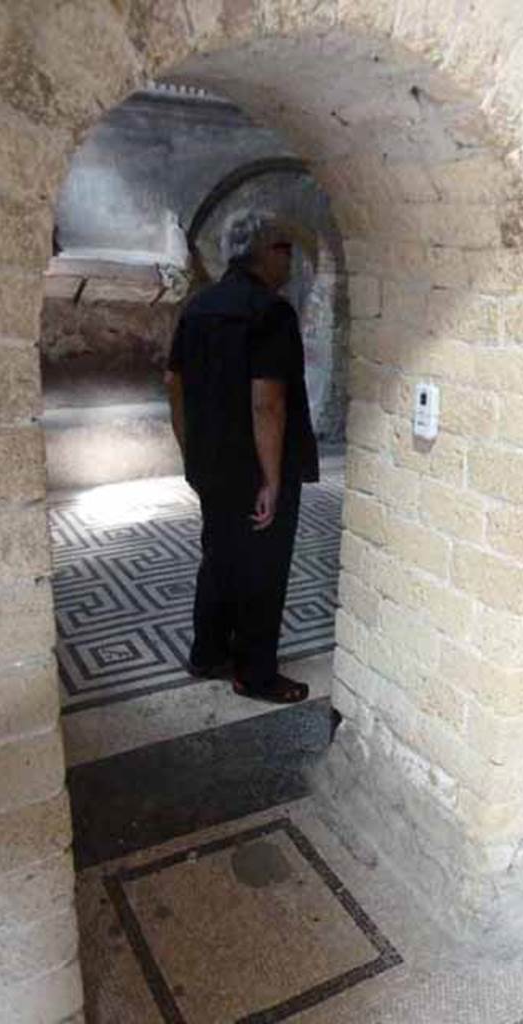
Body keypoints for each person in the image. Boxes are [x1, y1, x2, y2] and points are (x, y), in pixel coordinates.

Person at [165, 210, 319, 703]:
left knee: (219, 557)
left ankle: (208, 652)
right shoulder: (270, 312)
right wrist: (271, 480)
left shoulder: (197, 307)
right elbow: (266, 402)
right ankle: (255, 674)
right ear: (263, 252)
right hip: (256, 466)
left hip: (210, 463)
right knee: (262, 569)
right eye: (285, 249)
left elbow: (173, 384)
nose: (290, 260)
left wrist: (189, 451)